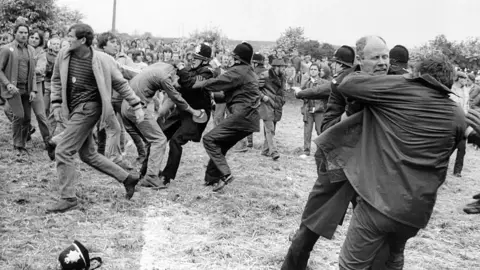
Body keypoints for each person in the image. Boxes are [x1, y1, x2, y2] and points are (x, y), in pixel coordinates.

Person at [335, 52, 464, 270]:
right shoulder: (457, 115)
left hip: (380, 202)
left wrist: (405, 77)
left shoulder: (401, 92)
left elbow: (348, 84)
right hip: (415, 212)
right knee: (393, 258)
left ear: (420, 75)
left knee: (351, 266)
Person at [281, 37, 391, 270]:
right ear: (361, 60)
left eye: (385, 56)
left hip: (374, 170)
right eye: (376, 57)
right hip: (341, 164)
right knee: (313, 222)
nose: (382, 62)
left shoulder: (396, 85)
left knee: (380, 233)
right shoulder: (344, 83)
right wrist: (352, 112)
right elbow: (327, 127)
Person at [46, 23, 145, 213]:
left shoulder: (102, 59)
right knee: (88, 154)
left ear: (83, 40)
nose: (67, 40)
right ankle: (127, 178)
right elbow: (56, 79)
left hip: (91, 108)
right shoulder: (64, 55)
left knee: (63, 151)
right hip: (73, 108)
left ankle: (68, 198)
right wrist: (57, 103)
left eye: (70, 37)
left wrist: (136, 104)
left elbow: (121, 84)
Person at [193, 42, 260, 192]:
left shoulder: (239, 71)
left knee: (209, 139)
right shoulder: (248, 71)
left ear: (237, 58)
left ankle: (226, 174)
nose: (230, 59)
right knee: (220, 144)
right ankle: (211, 179)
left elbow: (217, 82)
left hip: (242, 116)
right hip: (250, 119)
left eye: (232, 56)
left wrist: (196, 84)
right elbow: (226, 95)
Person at [145, 43, 215, 188]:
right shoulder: (191, 69)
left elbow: (189, 84)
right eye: (193, 56)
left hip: (197, 114)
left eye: (198, 57)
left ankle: (166, 177)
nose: (193, 60)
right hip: (183, 110)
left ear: (205, 60)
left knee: (176, 141)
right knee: (159, 135)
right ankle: (146, 172)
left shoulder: (207, 72)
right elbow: (179, 84)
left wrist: (181, 69)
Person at [123, 61, 202, 188]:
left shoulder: (157, 66)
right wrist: (192, 111)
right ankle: (151, 177)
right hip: (136, 108)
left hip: (125, 107)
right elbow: (175, 97)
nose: (175, 82)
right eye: (176, 79)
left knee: (151, 140)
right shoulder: (165, 76)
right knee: (159, 140)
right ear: (174, 72)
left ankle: (147, 172)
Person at [0, 23, 38, 157]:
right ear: (15, 33)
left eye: (26, 33)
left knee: (27, 118)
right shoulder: (6, 49)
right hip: (13, 89)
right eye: (21, 32)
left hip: (26, 89)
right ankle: (17, 145)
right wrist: (8, 84)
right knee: (19, 115)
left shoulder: (31, 50)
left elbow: (33, 73)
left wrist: (33, 90)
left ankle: (23, 143)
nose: (24, 35)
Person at [298, 64, 330, 158]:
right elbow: (301, 94)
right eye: (311, 69)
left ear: (318, 71)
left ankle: (322, 151)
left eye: (315, 69)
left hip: (319, 110)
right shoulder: (306, 83)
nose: (313, 71)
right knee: (307, 132)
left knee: (320, 131)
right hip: (308, 110)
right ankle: (306, 151)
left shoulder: (324, 83)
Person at [258, 58, 286, 160]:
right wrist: (263, 97)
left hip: (277, 105)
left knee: (272, 128)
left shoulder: (283, 77)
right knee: (270, 129)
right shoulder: (264, 75)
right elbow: (255, 89)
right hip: (266, 105)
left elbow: (283, 90)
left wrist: (283, 100)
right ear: (276, 67)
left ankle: (265, 150)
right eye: (282, 67)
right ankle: (273, 151)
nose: (284, 69)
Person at [450, 71, 469, 177]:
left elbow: (467, 105)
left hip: (464, 120)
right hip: (453, 120)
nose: (466, 81)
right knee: (451, 146)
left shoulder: (465, 90)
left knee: (462, 147)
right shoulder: (452, 89)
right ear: (459, 79)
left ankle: (457, 171)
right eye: (464, 79)